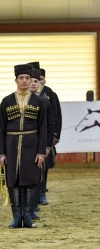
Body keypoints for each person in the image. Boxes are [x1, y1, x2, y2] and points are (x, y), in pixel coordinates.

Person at [0, 64, 47, 228]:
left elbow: (43, 128)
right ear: (16, 80)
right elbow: (1, 129)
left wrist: (41, 152)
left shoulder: (39, 101)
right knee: (13, 180)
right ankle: (16, 217)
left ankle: (27, 217)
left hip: (31, 146)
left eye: (27, 78)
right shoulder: (6, 101)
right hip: (11, 145)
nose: (25, 81)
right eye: (21, 78)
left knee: (30, 179)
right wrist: (1, 153)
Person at [32, 62, 61, 205]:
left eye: (39, 79)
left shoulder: (49, 94)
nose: (36, 82)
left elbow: (56, 117)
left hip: (45, 137)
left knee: (43, 166)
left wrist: (55, 136)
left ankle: (42, 191)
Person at [29, 68, 55, 221]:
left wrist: (47, 144)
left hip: (40, 142)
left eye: (35, 81)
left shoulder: (45, 99)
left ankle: (37, 199)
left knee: (39, 173)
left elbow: (51, 122)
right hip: (22, 144)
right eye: (29, 80)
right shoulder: (11, 100)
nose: (32, 83)